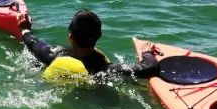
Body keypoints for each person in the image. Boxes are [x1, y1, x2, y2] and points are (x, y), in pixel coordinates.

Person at [20, 9, 160, 83]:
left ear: (71, 38)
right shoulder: (105, 69)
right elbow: (150, 68)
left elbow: (33, 44)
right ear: (99, 36)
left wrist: (25, 30)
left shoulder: (54, 54)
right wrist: (146, 52)